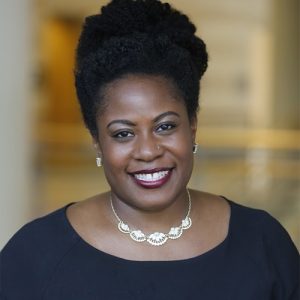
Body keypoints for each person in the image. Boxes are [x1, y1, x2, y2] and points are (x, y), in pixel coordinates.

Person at [0, 0, 299, 299]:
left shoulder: (262, 243)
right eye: (123, 133)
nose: (147, 151)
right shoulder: (36, 256)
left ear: (192, 125)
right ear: (96, 140)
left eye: (165, 127)